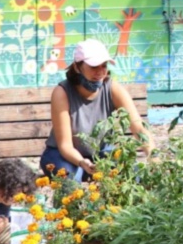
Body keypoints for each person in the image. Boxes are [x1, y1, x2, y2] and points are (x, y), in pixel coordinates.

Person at [40, 38, 151, 180]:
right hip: (62, 156)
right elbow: (65, 146)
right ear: (77, 67)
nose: (100, 72)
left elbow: (139, 128)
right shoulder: (62, 93)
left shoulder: (113, 88)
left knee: (134, 174)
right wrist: (82, 162)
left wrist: (153, 157)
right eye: (94, 67)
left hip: (101, 155)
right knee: (72, 179)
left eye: (104, 66)